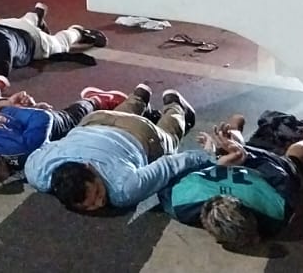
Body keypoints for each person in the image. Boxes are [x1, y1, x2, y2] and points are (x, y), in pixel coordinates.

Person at [25, 83, 209, 214]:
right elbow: (42, 147)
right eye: (88, 206)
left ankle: (175, 105)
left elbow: (168, 165)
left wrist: (208, 156)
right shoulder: (36, 171)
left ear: (89, 168)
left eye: (97, 193)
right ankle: (139, 96)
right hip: (95, 121)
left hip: (139, 133)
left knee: (170, 136)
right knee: (118, 116)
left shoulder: (123, 190)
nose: (99, 203)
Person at [0, 72, 131, 191]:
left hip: (19, 121)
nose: (5, 179)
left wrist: (8, 108)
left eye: (0, 178)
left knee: (65, 121)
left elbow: (42, 118)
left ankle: (96, 100)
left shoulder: (20, 150)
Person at [161, 112, 303, 249]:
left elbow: (282, 168)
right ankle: (233, 130)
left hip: (256, 166)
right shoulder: (180, 203)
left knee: (297, 161)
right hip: (240, 167)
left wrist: (225, 157)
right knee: (230, 147)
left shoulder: (277, 208)